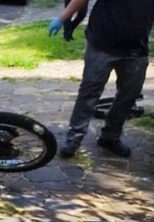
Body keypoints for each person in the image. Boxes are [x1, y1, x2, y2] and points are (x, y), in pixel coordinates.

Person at [48, 0, 153, 158]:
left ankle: (110, 137)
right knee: (89, 93)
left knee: (128, 96)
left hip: (136, 49)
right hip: (101, 45)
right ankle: (73, 139)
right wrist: (62, 18)